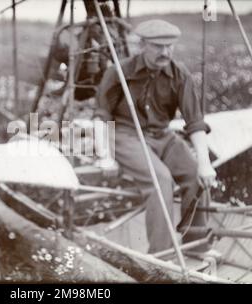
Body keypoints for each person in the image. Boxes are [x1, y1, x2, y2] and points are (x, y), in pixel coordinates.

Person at [93, 19, 217, 255]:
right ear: (142, 45)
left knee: (195, 176)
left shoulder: (180, 75)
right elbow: (102, 117)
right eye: (158, 47)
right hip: (125, 136)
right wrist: (105, 156)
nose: (165, 52)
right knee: (161, 180)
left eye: (170, 46)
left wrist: (204, 164)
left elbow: (195, 123)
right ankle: (161, 257)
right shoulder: (119, 72)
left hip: (162, 136)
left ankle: (197, 245)